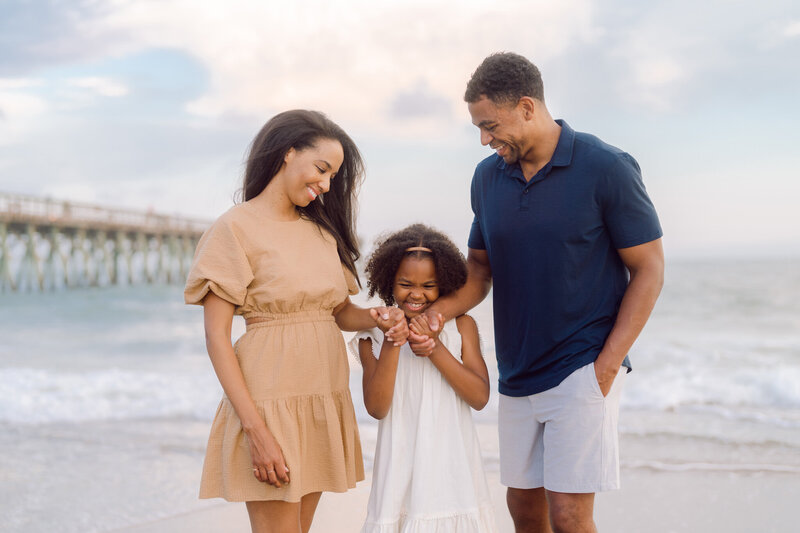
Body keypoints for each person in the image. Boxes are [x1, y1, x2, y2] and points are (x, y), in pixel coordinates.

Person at [411, 53, 665, 533]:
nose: (484, 140)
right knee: (524, 508)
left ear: (526, 106)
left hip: (582, 365)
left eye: (489, 125)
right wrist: (437, 314)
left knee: (569, 514)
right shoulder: (487, 177)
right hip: (518, 368)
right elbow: (479, 269)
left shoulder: (606, 166)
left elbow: (649, 269)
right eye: (478, 129)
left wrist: (607, 364)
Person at [184, 109, 408, 533]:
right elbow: (216, 337)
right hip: (269, 405)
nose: (325, 185)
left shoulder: (321, 232)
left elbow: (337, 311)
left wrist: (379, 318)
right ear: (288, 153)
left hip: (321, 398)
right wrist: (256, 431)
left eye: (332, 177)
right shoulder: (234, 229)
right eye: (321, 169)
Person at [350, 223, 499, 533]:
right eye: (405, 283)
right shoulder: (372, 337)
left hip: (451, 477)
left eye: (428, 285)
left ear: (444, 283)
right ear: (388, 281)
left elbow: (480, 397)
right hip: (398, 478)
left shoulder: (462, 327)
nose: (416, 294)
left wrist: (435, 350)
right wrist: (393, 340)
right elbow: (377, 408)